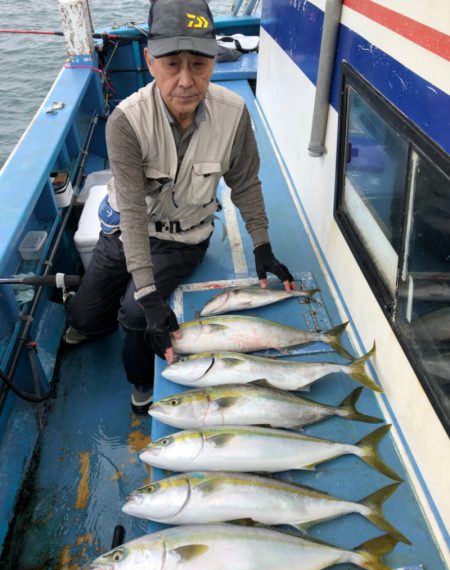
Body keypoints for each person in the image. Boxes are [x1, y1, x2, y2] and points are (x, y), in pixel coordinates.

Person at [65, 0, 295, 414]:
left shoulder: (235, 114)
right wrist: (150, 290)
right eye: (172, 64)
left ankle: (142, 386)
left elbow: (245, 181)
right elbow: (132, 214)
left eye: (199, 64)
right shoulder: (126, 122)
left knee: (136, 315)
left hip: (183, 240)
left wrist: (262, 245)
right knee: (83, 321)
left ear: (213, 60)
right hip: (126, 232)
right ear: (151, 62)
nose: (186, 81)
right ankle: (90, 315)